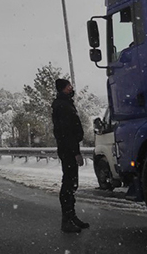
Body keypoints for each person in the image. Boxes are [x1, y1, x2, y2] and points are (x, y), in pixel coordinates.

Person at [52, 78, 89, 233]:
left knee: (72, 183)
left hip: (69, 148)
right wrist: (75, 153)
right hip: (68, 150)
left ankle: (71, 216)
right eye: (69, 86)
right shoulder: (62, 105)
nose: (71, 88)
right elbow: (66, 131)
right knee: (69, 183)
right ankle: (66, 220)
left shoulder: (65, 103)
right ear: (63, 89)